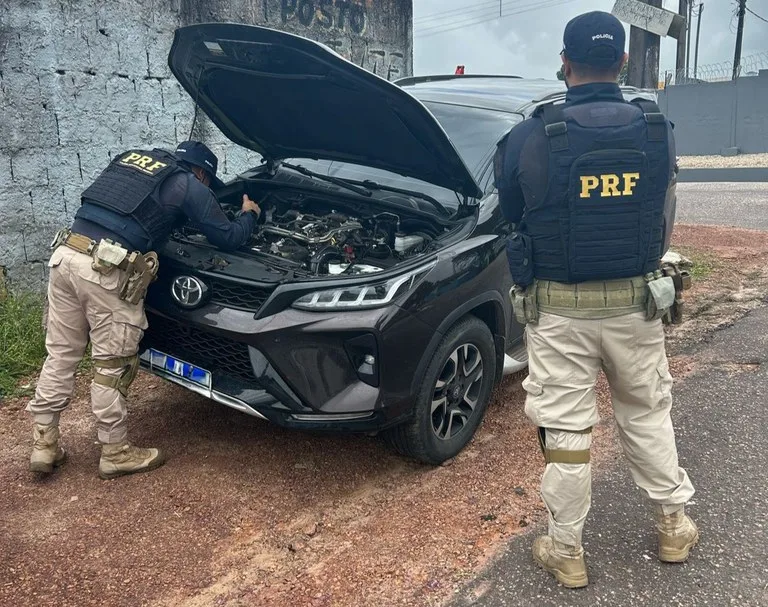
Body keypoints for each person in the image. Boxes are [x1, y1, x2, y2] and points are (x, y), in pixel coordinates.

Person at [494, 11, 697, 588]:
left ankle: (566, 549)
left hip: (559, 311)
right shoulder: (658, 129)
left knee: (566, 432)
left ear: (564, 62)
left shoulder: (532, 134)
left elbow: (513, 211)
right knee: (647, 412)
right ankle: (673, 525)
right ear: (624, 62)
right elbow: (660, 203)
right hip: (637, 306)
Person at [27, 141, 261, 480]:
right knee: (112, 364)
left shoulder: (131, 161)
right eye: (207, 181)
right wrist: (248, 214)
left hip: (66, 255)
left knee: (61, 354)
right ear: (201, 173)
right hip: (105, 271)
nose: (205, 186)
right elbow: (227, 238)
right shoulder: (187, 184)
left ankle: (44, 445)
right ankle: (116, 453)